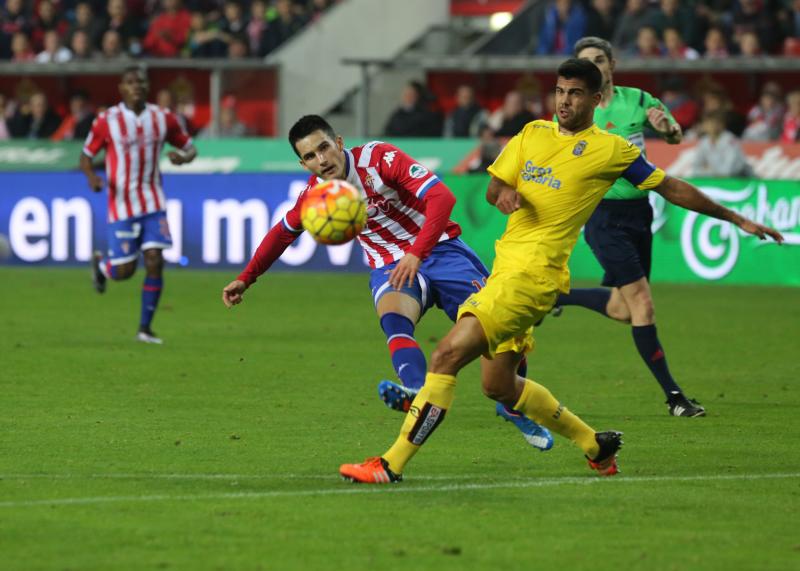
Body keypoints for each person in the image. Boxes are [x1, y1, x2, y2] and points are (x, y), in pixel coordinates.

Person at [338, 58, 783, 485]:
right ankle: (596, 446)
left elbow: (671, 187)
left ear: (595, 99)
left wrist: (737, 218)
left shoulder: (612, 151)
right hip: (504, 272)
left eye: (574, 94)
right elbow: (494, 188)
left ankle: (390, 464)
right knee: (499, 387)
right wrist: (506, 196)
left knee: (445, 356)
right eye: (559, 91)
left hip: (533, 279)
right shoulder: (531, 134)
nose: (564, 101)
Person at [221, 114, 554, 452]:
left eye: (323, 148)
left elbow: (442, 198)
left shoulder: (379, 159)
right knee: (394, 318)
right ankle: (416, 392)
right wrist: (245, 279)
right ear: (302, 163)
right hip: (390, 266)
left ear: (338, 143)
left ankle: (511, 404)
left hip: (442, 250)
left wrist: (416, 253)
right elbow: (282, 233)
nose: (321, 160)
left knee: (501, 335)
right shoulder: (316, 197)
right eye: (310, 156)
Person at [555, 36, 706, 418]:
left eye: (600, 60)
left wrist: (668, 127)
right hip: (603, 215)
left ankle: (559, 296)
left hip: (641, 212)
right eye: (587, 61)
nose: (596, 66)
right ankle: (674, 397)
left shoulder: (638, 100)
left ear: (612, 65)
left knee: (625, 310)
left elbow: (673, 135)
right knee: (643, 305)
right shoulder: (575, 112)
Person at [80, 67, 197, 344]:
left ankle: (145, 329)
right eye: (130, 82)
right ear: (121, 88)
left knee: (155, 261)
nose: (136, 86)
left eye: (141, 82)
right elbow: (85, 156)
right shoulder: (106, 120)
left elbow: (190, 147)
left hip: (153, 201)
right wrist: (92, 177)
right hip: (121, 204)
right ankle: (102, 265)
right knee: (124, 272)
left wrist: (184, 158)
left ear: (147, 87)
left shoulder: (163, 118)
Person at [691, 110, 753, 177]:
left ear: (722, 124)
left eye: (714, 123)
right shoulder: (704, 142)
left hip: (742, 179)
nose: (710, 126)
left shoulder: (730, 141)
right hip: (717, 180)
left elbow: (728, 171)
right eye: (707, 122)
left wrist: (708, 170)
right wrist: (711, 172)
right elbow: (695, 169)